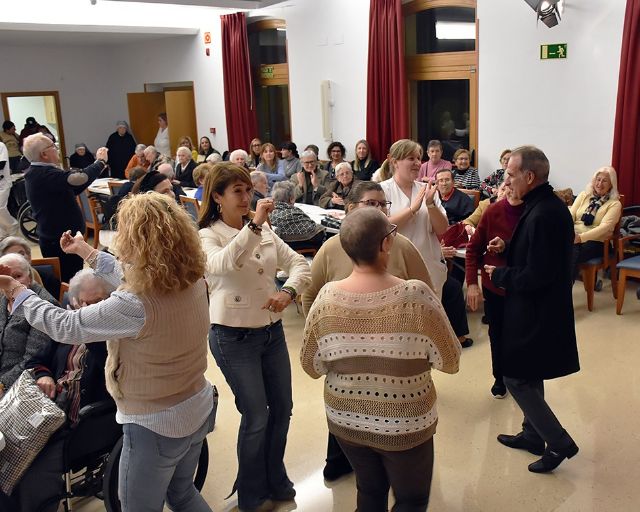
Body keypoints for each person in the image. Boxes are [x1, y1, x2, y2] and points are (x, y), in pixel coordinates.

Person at [0, 192, 216, 510]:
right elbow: (132, 275)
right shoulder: (192, 279)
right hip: (197, 406)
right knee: (183, 494)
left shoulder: (135, 303)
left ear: (135, 240)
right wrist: (85, 250)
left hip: (156, 424)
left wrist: (20, 291)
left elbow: (66, 326)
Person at [301, 207, 460, 512]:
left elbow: (311, 366)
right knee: (411, 500)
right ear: (387, 243)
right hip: (405, 421)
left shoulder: (325, 298)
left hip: (346, 419)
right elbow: (450, 360)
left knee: (369, 490)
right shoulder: (415, 295)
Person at [301, 180, 434, 482]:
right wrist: (326, 333)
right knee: (351, 416)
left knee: (392, 430)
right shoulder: (331, 248)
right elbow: (310, 295)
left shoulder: (402, 246)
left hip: (394, 360)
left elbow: (428, 295)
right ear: (350, 209)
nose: (378, 211)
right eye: (370, 204)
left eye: (382, 205)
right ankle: (341, 461)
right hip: (348, 362)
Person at [198, 163, 311, 512]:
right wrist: (254, 226)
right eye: (237, 192)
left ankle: (274, 477)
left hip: (271, 333)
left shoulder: (263, 231)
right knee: (256, 414)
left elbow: (301, 265)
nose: (247, 198)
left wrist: (289, 292)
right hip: (232, 337)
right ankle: (251, 493)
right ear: (217, 197)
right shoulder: (208, 234)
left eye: (249, 190)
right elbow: (221, 265)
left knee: (282, 409)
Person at [485, 145, 580, 474]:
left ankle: (558, 442)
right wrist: (508, 247)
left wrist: (500, 273)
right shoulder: (541, 205)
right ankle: (531, 435)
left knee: (516, 378)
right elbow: (538, 252)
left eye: (511, 174)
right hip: (535, 307)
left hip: (538, 309)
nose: (506, 180)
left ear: (530, 176)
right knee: (530, 369)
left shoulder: (546, 213)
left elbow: (538, 273)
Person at [14, 269, 114, 512]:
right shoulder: (65, 329)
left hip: (80, 424)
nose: (95, 309)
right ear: (74, 303)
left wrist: (88, 330)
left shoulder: (114, 337)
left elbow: (109, 370)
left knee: (28, 468)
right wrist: (45, 375)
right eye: (88, 303)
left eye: (102, 302)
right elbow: (34, 362)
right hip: (45, 410)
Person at [380, 139, 473, 348]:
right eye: (410, 158)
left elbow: (442, 229)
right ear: (394, 161)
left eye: (418, 158)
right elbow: (382, 226)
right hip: (395, 270)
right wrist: (412, 209)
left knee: (426, 331)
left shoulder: (427, 189)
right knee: (399, 331)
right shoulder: (382, 191)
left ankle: (422, 374)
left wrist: (430, 204)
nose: (416, 163)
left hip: (429, 269)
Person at [22, 133, 108, 282]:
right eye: (53, 146)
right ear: (44, 154)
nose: (57, 149)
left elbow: (73, 188)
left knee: (70, 280)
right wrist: (100, 162)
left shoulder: (39, 172)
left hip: (59, 239)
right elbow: (78, 179)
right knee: (70, 283)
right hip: (59, 241)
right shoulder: (44, 173)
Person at [465, 185, 524, 398]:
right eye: (505, 185)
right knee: (497, 334)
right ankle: (499, 378)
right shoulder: (492, 211)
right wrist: (472, 283)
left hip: (522, 287)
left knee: (519, 335)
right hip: (494, 288)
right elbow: (473, 249)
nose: (509, 188)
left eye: (513, 183)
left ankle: (518, 377)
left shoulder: (534, 212)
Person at [0, 253, 55, 396]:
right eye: (5, 277)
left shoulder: (44, 305)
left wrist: (2, 385)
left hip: (19, 387)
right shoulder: (3, 299)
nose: (11, 282)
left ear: (29, 278)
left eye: (17, 276)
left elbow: (33, 360)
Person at [569, 166, 622, 279]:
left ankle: (562, 291)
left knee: (569, 253)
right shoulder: (584, 195)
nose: (600, 184)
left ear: (611, 184)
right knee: (557, 248)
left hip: (597, 242)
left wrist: (580, 238)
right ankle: (562, 290)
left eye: (605, 181)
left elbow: (605, 227)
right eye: (598, 179)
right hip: (574, 237)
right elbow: (570, 215)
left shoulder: (614, 204)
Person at [270, 181, 325, 252]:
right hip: (293, 249)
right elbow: (316, 231)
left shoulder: (268, 211)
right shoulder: (295, 214)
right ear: (291, 199)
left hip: (275, 247)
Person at [0, 141, 18, 237]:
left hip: (3, 182)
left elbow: (1, 164)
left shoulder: (1, 146)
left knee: (0, 208)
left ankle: (12, 224)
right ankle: (2, 233)